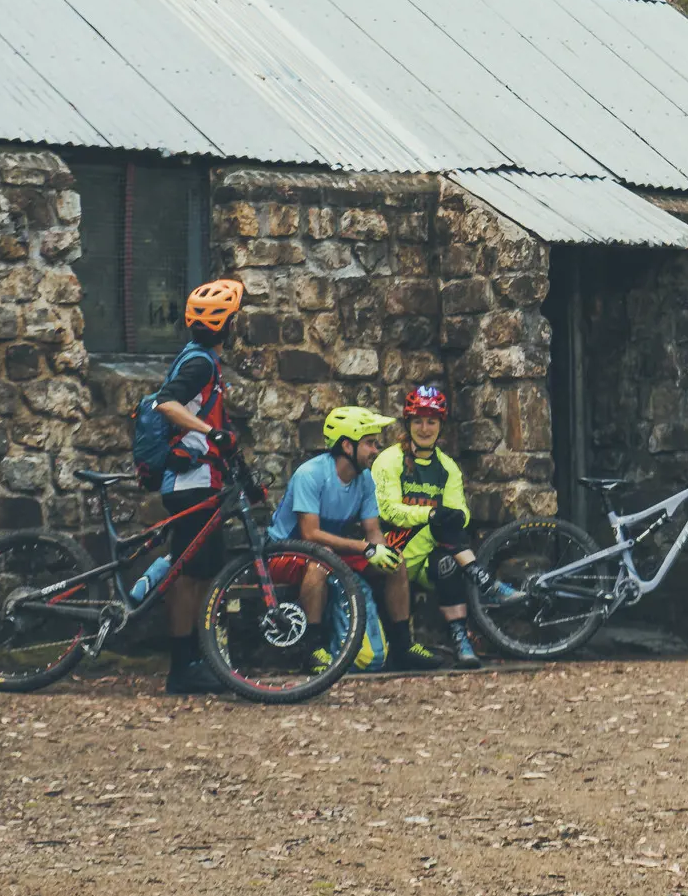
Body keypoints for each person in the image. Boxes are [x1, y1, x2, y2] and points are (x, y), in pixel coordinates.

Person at [146, 278, 247, 697]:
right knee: (188, 574)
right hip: (191, 481)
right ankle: (182, 665)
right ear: (227, 324)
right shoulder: (200, 363)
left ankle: (197, 658)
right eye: (237, 318)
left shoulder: (204, 360)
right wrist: (212, 434)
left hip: (203, 479)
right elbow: (165, 402)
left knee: (203, 571)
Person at [278, 405, 421, 668]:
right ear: (346, 446)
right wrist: (364, 548)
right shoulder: (310, 474)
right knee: (322, 562)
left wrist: (381, 552)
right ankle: (312, 649)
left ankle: (402, 645)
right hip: (286, 552)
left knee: (396, 562)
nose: (376, 450)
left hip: (333, 552)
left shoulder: (365, 479)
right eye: (369, 443)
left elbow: (373, 531)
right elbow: (310, 534)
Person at [371, 382, 485, 669]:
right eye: (418, 421)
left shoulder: (447, 466)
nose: (425, 428)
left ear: (440, 425)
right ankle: (481, 576)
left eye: (431, 421)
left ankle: (460, 638)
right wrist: (431, 515)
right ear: (408, 424)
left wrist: (446, 516)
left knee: (447, 562)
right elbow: (388, 511)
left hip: (429, 555)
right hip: (393, 551)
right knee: (440, 522)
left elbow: (460, 512)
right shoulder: (389, 460)